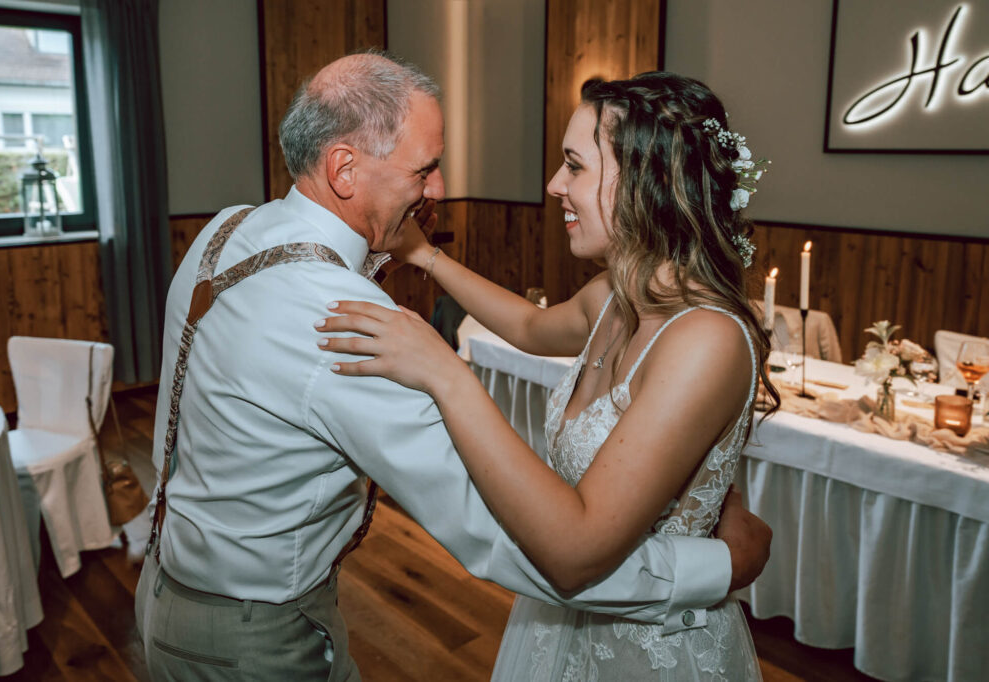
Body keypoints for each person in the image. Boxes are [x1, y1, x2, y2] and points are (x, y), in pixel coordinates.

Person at [135, 53, 771, 681]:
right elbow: (491, 521)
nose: (438, 188)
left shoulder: (229, 228)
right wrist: (716, 567)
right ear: (345, 169)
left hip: (168, 584)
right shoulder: (342, 314)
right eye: (427, 168)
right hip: (252, 639)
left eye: (573, 165)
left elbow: (529, 342)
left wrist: (424, 271)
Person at [318, 71, 778, 680]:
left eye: (576, 167)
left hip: (649, 652)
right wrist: (424, 256)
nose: (554, 184)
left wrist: (445, 372)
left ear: (650, 182)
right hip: (560, 626)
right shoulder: (612, 297)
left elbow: (578, 550)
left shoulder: (706, 340)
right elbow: (530, 329)